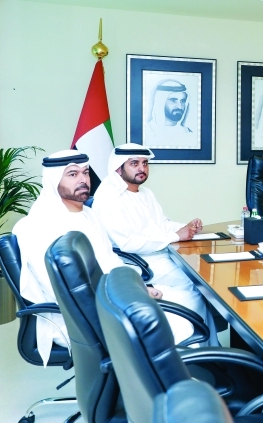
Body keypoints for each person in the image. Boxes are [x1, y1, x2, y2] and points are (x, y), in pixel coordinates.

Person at [12, 150, 193, 366]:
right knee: (178, 322)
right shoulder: (39, 225)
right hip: (78, 319)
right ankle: (167, 383)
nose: (82, 180)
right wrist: (124, 299)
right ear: (53, 180)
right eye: (72, 174)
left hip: (108, 297)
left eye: (85, 172)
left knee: (185, 299)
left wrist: (137, 287)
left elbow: (111, 261)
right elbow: (61, 291)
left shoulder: (88, 214)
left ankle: (195, 374)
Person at [92, 144, 218, 344]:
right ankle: (195, 347)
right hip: (137, 262)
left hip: (159, 254)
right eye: (134, 164)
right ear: (118, 168)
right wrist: (176, 236)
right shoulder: (109, 198)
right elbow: (127, 243)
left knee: (202, 276)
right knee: (198, 285)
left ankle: (209, 347)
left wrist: (185, 228)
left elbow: (162, 224)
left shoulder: (145, 193)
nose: (141, 168)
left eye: (145, 163)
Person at [145, 78, 197, 148]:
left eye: (182, 101)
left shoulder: (187, 133)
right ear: (161, 102)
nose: (179, 106)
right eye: (173, 100)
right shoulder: (148, 131)